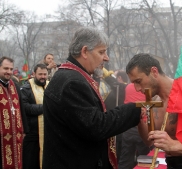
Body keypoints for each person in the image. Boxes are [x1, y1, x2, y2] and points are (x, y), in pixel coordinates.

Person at [42, 27, 144, 169]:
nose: (106, 58)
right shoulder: (72, 82)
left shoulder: (71, 76)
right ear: (84, 52)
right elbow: (96, 126)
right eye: (101, 52)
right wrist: (135, 109)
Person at [126, 54, 182, 169]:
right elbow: (149, 141)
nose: (137, 89)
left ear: (154, 72)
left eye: (138, 81)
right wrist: (140, 121)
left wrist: (173, 145)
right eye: (134, 83)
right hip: (171, 164)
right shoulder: (155, 102)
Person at [0, 56, 28, 169]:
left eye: (11, 69)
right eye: (5, 68)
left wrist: (25, 129)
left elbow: (21, 108)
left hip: (16, 135)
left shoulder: (15, 86)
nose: (9, 72)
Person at [20, 64, 49, 169]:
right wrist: (46, 108)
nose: (43, 77)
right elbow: (26, 108)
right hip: (32, 134)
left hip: (48, 134)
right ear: (34, 74)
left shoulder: (50, 86)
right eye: (40, 74)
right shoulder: (25, 88)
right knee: (31, 163)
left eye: (45, 74)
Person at [118, 83, 150, 169]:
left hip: (128, 126)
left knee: (126, 158)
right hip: (143, 125)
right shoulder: (146, 87)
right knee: (145, 159)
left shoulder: (128, 86)